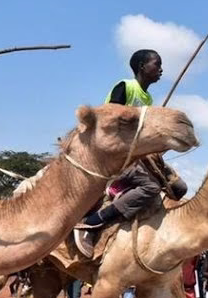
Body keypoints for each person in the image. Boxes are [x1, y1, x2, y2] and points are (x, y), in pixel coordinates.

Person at [77, 49, 187, 232]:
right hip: (116, 154)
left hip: (138, 155)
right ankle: (96, 219)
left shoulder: (148, 99)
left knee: (179, 188)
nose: (161, 70)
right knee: (151, 187)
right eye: (157, 64)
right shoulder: (125, 86)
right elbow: (108, 119)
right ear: (143, 66)